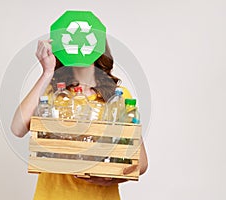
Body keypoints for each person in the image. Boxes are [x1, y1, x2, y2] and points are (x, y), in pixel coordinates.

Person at [11, 39, 148, 200]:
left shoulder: (117, 96)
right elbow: (17, 129)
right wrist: (47, 72)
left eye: (86, 39)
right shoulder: (52, 92)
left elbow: (142, 163)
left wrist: (110, 179)